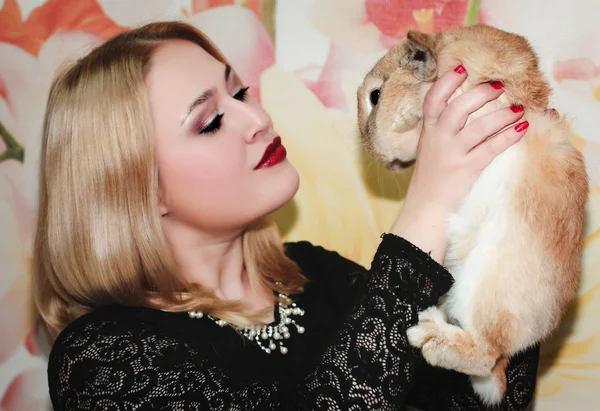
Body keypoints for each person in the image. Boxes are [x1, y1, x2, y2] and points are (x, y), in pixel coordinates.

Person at [32, 21, 539, 410]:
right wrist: (429, 205)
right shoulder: (102, 361)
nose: (257, 119)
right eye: (209, 122)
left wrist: (506, 209)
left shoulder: (317, 276)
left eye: (241, 94)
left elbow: (482, 398)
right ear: (135, 188)